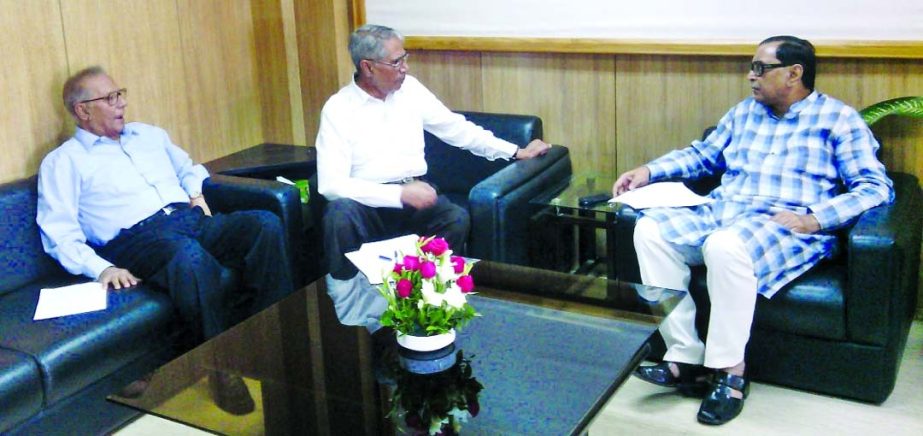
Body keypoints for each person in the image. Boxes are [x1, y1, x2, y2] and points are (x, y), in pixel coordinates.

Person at [612, 36, 893, 425]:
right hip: (725, 210)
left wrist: (816, 217)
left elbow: (876, 187)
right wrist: (648, 171)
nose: (751, 76)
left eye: (761, 68)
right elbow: (702, 155)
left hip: (785, 225)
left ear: (794, 73)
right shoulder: (745, 113)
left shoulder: (839, 120)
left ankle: (729, 373)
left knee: (725, 245)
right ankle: (684, 356)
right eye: (752, 67)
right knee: (650, 231)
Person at [37, 66, 295, 415]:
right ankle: (223, 368)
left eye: (121, 94)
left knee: (263, 224)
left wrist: (195, 194)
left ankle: (273, 339)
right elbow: (58, 233)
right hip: (136, 239)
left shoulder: (148, 135)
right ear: (82, 110)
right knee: (186, 256)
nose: (121, 104)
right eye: (110, 98)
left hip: (188, 218)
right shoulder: (64, 161)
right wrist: (102, 268)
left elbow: (190, 168)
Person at [315, 24, 552, 326]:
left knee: (455, 218)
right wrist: (397, 194)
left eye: (405, 58)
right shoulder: (338, 109)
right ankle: (348, 316)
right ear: (368, 67)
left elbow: (457, 129)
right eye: (397, 62)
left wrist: (514, 151)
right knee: (338, 215)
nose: (405, 68)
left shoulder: (410, 90)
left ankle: (423, 298)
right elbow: (332, 184)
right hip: (367, 204)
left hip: (415, 200)